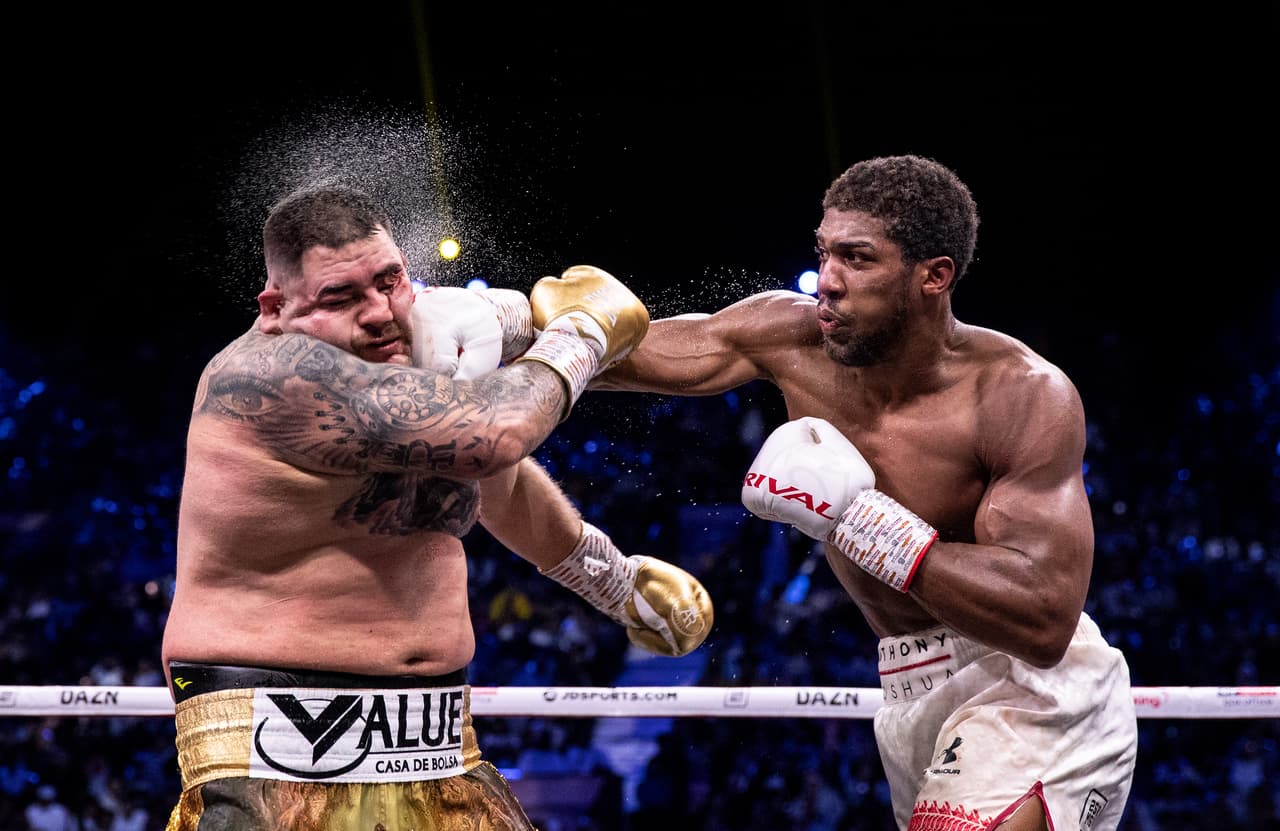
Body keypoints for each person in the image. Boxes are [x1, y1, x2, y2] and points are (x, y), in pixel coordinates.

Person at [593, 155, 1138, 831]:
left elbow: (1045, 618)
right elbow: (623, 354)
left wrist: (861, 518)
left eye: (857, 259)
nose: (827, 281)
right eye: (824, 253)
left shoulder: (1020, 393)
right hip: (909, 689)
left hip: (1026, 688)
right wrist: (497, 331)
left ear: (933, 275)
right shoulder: (791, 336)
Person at [160, 183, 713, 830]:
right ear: (276, 306)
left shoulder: (412, 356)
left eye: (388, 281)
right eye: (340, 297)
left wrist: (616, 583)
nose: (378, 313)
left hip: (440, 747)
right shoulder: (270, 377)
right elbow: (496, 435)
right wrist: (579, 332)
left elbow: (493, 481)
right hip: (272, 755)